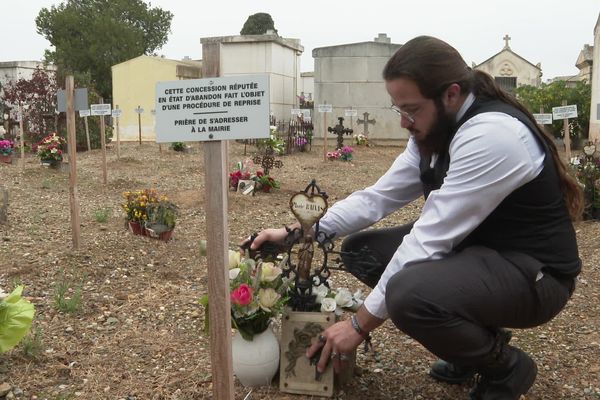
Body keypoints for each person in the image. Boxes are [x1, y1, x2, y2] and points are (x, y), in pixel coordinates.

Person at [248, 36, 582, 400]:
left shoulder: (492, 136)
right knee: (363, 250)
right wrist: (298, 232)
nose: (405, 122)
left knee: (409, 294)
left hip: (534, 276)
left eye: (411, 109)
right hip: (481, 254)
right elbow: (378, 197)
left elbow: (430, 237)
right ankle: (472, 344)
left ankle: (505, 366)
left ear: (451, 94)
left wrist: (358, 325)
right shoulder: (433, 126)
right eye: (399, 110)